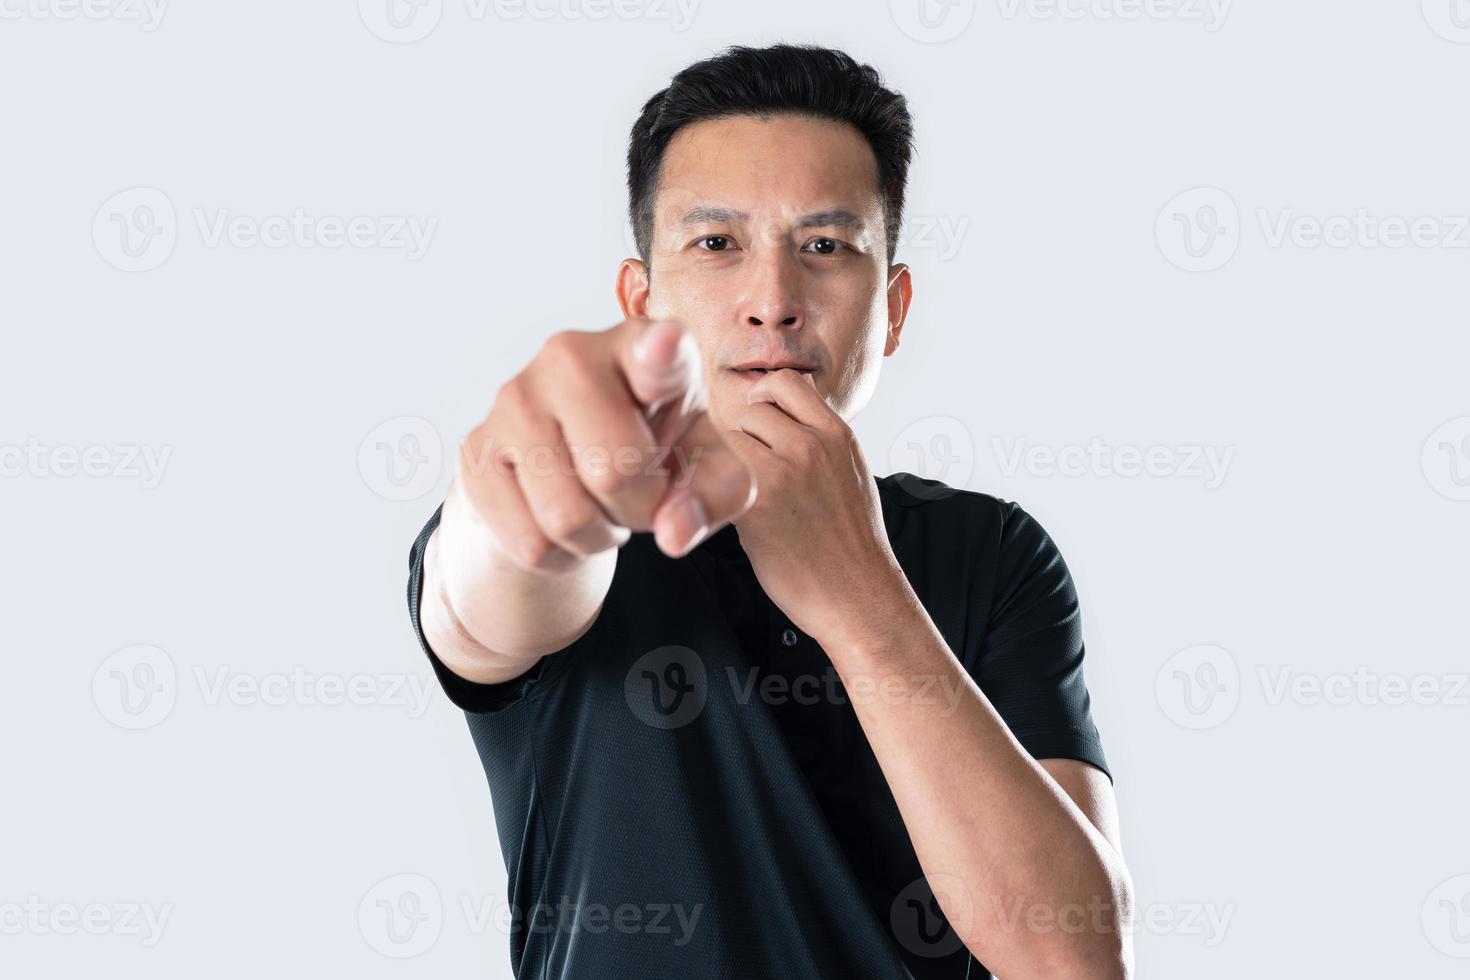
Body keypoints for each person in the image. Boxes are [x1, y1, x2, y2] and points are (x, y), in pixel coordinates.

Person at [405, 42, 1133, 980]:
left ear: (894, 309)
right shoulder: (590, 500)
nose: (774, 302)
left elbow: (1072, 958)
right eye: (716, 245)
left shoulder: (992, 552)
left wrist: (860, 596)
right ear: (641, 302)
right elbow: (492, 586)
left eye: (825, 247)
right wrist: (528, 492)